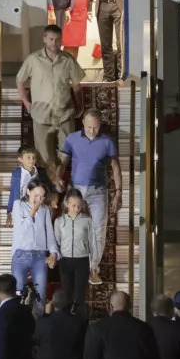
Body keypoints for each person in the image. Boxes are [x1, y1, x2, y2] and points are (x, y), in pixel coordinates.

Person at [55, 109, 122, 286]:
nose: (93, 131)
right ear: (83, 123)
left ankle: (93, 268)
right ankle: (67, 261)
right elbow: (63, 161)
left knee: (99, 230)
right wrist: (57, 179)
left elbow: (115, 167)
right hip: (76, 189)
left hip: (99, 191)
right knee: (69, 225)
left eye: (96, 127)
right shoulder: (72, 138)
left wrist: (119, 192)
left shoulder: (107, 141)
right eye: (90, 127)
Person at [16, 24, 86, 173]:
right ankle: (51, 188)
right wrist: (27, 103)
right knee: (44, 154)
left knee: (67, 150)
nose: (54, 43)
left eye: (57, 39)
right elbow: (20, 80)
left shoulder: (68, 60)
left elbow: (77, 85)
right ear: (44, 39)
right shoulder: (33, 59)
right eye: (51, 39)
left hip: (64, 113)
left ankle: (58, 178)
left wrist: (80, 104)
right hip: (42, 115)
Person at [10, 179, 60, 313]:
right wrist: (33, 210)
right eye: (36, 195)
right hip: (21, 254)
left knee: (40, 295)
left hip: (39, 256)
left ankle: (38, 327)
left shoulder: (45, 210)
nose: (40, 199)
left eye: (42, 196)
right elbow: (22, 229)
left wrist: (53, 253)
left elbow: (49, 233)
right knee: (18, 292)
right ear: (28, 192)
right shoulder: (18, 205)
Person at [54, 188, 96, 317]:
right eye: (73, 206)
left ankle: (80, 321)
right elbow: (56, 242)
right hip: (65, 261)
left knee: (79, 294)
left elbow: (92, 243)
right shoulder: (59, 221)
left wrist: (94, 264)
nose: (76, 209)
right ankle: (66, 320)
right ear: (66, 204)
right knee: (67, 293)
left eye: (79, 206)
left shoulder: (87, 220)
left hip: (82, 260)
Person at [7, 146, 53, 227]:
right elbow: (13, 192)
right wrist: (9, 211)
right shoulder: (16, 174)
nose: (32, 160)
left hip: (38, 205)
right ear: (20, 159)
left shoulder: (40, 172)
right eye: (28, 157)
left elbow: (48, 187)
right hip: (22, 206)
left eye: (33, 158)